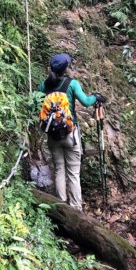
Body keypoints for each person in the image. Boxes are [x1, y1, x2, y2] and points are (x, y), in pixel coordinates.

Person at [39, 53, 106, 211]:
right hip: (70, 134)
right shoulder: (72, 84)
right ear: (65, 68)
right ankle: (76, 209)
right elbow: (86, 102)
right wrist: (95, 97)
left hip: (52, 136)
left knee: (59, 169)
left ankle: (62, 207)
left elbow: (36, 104)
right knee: (73, 173)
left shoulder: (43, 86)